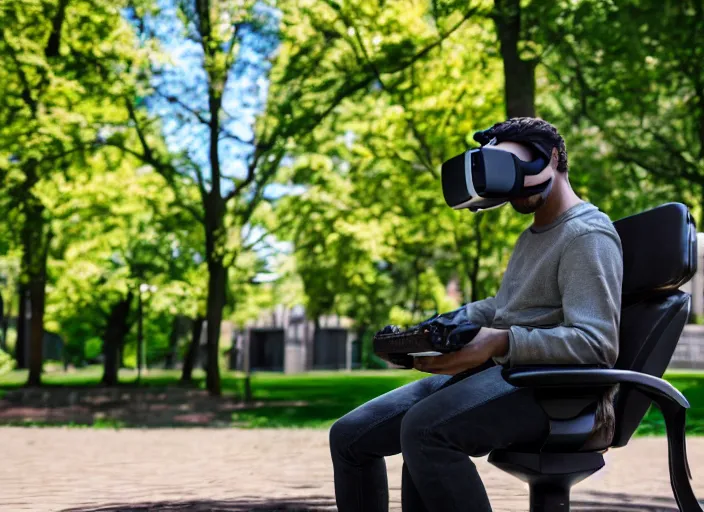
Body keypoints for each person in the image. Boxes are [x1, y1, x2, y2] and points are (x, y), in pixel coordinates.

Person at [328, 117, 623, 512]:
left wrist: (499, 341)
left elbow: (597, 344)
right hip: (503, 373)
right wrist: (438, 329)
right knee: (349, 436)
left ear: (552, 158)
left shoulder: (587, 234)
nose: (514, 189)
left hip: (553, 390)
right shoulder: (534, 235)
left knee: (423, 429)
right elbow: (506, 307)